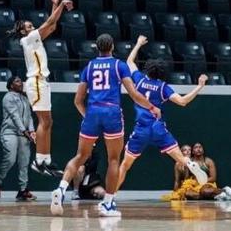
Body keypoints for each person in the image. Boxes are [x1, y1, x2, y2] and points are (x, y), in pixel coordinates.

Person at [91, 37, 207, 218]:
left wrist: (137, 44)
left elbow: (129, 62)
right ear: (161, 72)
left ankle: (109, 199)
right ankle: (189, 163)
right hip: (158, 128)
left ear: (148, 69)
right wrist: (199, 86)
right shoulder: (163, 87)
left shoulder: (138, 79)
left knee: (124, 166)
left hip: (141, 130)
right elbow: (183, 101)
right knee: (179, 158)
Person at [50, 34, 158, 216]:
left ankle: (60, 189)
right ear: (112, 47)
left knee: (80, 156)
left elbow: (78, 100)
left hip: (92, 112)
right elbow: (133, 93)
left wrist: (89, 117)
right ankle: (108, 204)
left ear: (97, 47)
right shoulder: (119, 65)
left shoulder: (89, 66)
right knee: (114, 159)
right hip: (111, 113)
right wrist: (151, 106)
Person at [11, 0, 72, 176]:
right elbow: (50, 22)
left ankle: (45, 159)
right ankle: (38, 161)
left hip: (42, 82)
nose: (32, 28)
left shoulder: (34, 40)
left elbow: (51, 26)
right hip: (36, 82)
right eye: (29, 26)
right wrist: (60, 4)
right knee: (44, 121)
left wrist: (55, 3)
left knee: (48, 122)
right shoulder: (27, 39)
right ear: (23, 31)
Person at [0, 76, 35, 199]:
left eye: (20, 80)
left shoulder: (24, 98)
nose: (20, 83)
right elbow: (14, 115)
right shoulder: (8, 97)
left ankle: (23, 190)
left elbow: (29, 116)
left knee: (24, 162)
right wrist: (24, 130)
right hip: (10, 132)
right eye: (17, 81)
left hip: (24, 133)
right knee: (10, 159)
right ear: (11, 85)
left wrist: (32, 130)